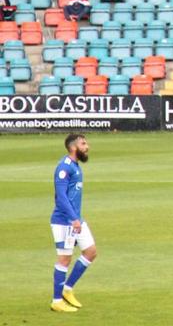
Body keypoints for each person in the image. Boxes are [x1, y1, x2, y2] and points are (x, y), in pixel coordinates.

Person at [50, 133, 97, 313]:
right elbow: (61, 198)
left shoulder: (76, 166)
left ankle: (67, 289)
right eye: (84, 144)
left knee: (91, 252)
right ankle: (56, 301)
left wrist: (77, 219)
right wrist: (73, 219)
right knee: (64, 259)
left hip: (76, 219)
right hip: (64, 221)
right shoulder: (64, 168)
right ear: (74, 147)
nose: (88, 147)